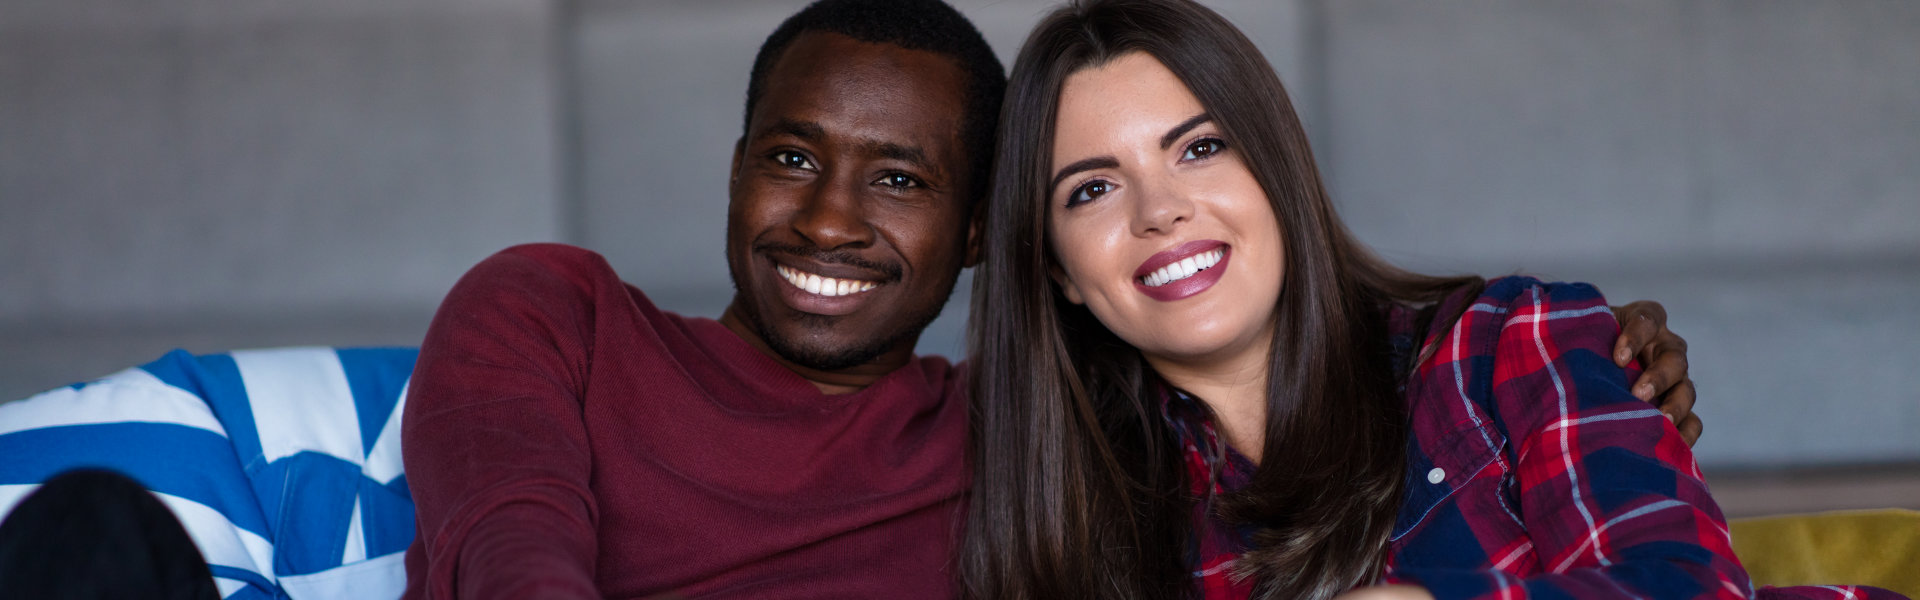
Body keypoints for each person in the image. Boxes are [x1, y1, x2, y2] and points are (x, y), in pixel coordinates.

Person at [400, 0, 1697, 598]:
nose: (831, 218)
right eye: (792, 157)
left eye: (899, 178)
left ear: (975, 235)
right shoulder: (559, 308)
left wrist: (1594, 374)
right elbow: (510, 539)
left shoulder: (1020, 449)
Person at [958, 1, 1897, 599]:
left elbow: (1684, 588)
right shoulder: (1080, 511)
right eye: (1091, 189)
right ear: (1057, 271)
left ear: (1278, 171)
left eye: (1201, 148)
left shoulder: (1510, 342)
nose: (1161, 210)